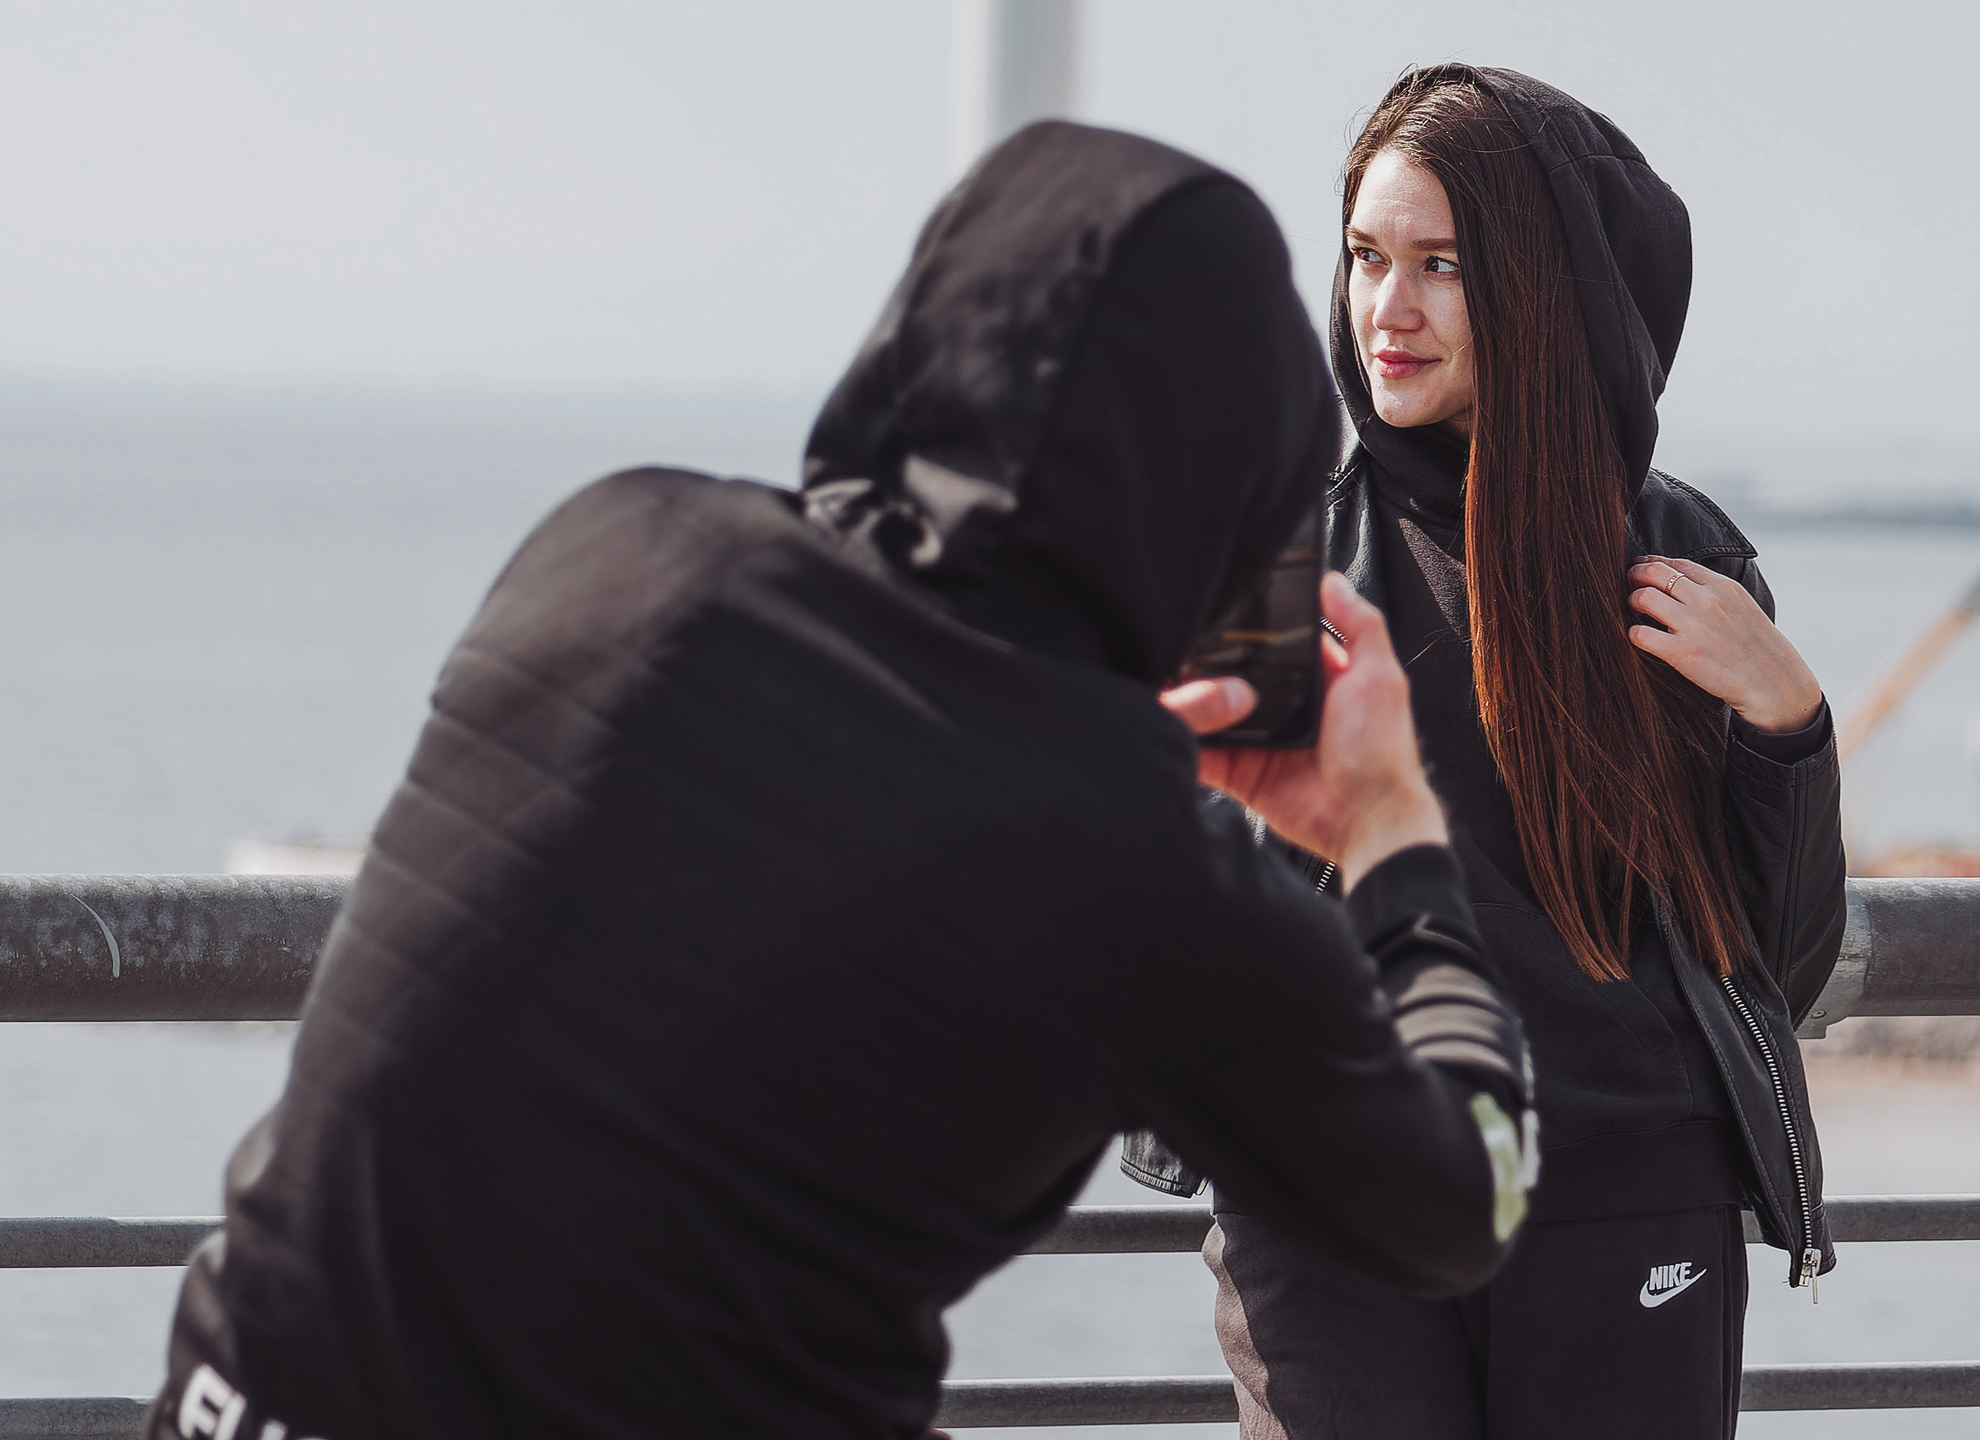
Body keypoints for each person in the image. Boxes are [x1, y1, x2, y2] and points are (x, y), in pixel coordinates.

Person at [146, 121, 1540, 1440]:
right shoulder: (1137, 867)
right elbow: (1461, 1203)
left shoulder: (613, 542)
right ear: (1233, 496)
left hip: (237, 1395)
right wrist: (1389, 835)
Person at [1120, 65, 1848, 1439]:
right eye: (1364, 256)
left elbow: (1779, 961)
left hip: (1629, 1200)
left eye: (1442, 265)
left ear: (1545, 281)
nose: (1386, 310)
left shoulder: (1682, 563)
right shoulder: (1269, 556)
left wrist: (1788, 729)